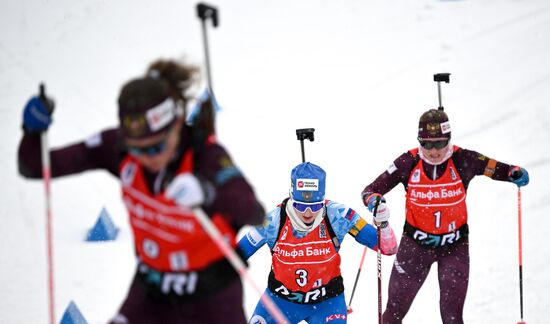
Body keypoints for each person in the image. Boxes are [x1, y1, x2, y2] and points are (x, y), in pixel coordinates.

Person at [18, 59, 265, 324]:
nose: (148, 158)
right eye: (137, 149)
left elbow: (254, 212)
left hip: (212, 297)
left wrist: (208, 193)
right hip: (152, 291)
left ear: (177, 125)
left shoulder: (206, 156)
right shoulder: (118, 148)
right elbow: (35, 166)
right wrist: (33, 131)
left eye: (156, 147)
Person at [361, 108, 530, 324]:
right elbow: (370, 190)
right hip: (415, 247)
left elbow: (496, 168)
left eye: (440, 143)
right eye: (426, 144)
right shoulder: (408, 162)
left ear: (449, 139)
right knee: (394, 312)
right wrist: (375, 202)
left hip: (454, 248)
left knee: (452, 317)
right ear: (419, 141)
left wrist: (512, 172)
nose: (433, 151)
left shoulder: (464, 159)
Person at [239, 162, 398, 323]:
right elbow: (236, 254)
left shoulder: (338, 215)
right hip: (280, 302)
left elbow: (387, 248)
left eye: (315, 206)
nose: (308, 213)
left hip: (327, 304)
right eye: (300, 206)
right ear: (291, 198)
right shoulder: (272, 221)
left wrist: (383, 224)